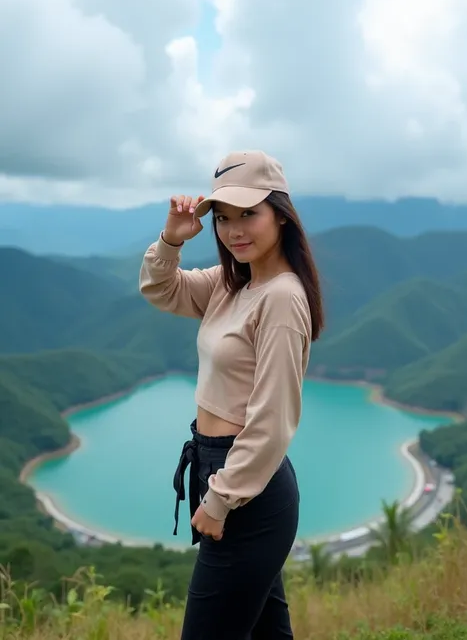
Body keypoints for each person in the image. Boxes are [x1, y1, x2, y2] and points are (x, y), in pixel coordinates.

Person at [139, 149, 324, 639]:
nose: (234, 230)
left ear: (280, 215)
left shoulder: (282, 298)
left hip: (247, 492)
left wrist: (219, 500)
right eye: (223, 218)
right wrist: (170, 241)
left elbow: (272, 421)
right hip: (223, 471)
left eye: (249, 214)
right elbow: (161, 290)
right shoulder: (232, 283)